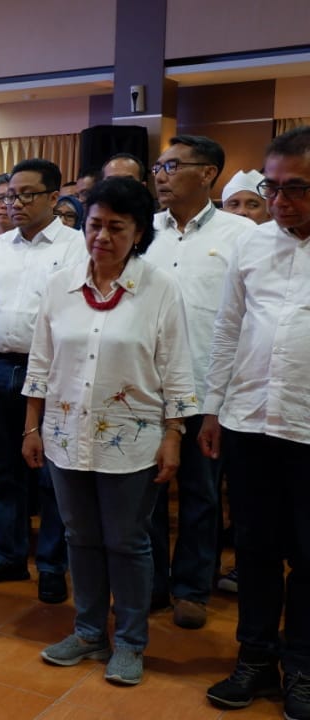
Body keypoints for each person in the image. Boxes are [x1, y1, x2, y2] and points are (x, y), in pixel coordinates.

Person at [25, 176, 197, 687]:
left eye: (116, 228)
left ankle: (130, 641)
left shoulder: (160, 289)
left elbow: (176, 368)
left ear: (138, 232)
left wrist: (174, 434)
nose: (101, 236)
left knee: (127, 541)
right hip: (64, 434)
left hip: (133, 439)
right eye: (94, 224)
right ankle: (88, 632)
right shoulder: (60, 285)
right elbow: (41, 362)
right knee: (79, 537)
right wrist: (31, 427)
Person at [200, 126, 310, 719]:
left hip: (307, 428)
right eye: (273, 187)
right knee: (255, 548)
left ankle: (304, 666)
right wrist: (213, 408)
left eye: (297, 188)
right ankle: (256, 659)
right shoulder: (252, 244)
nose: (280, 201)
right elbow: (227, 330)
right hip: (249, 421)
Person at [0, 158, 85, 603]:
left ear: (53, 197)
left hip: (51, 371)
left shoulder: (76, 246)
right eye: (10, 195)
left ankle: (51, 564)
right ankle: (9, 556)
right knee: (1, 470)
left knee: (50, 474)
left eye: (27, 194)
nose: (15, 204)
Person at [143, 135, 255, 629]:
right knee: (146, 493)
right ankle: (150, 584)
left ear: (208, 173)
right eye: (158, 167)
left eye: (172, 166)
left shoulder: (241, 234)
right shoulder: (146, 231)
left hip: (207, 388)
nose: (160, 175)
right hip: (147, 387)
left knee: (201, 493)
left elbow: (245, 316)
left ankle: (192, 588)